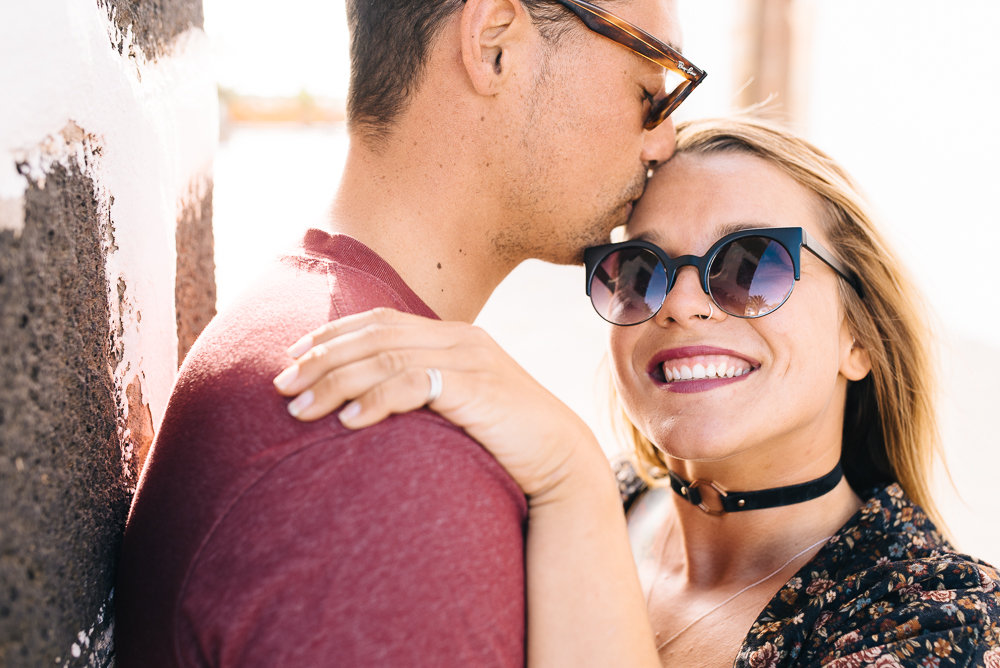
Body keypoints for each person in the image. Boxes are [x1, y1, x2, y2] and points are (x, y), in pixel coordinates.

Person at [273, 116, 1000, 666]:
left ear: (860, 337)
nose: (680, 304)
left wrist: (569, 469)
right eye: (640, 269)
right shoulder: (561, 508)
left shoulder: (945, 620)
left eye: (751, 265)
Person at [114, 0, 702, 665]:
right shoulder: (378, 453)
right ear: (494, 43)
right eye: (650, 93)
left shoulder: (310, 332)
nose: (664, 141)